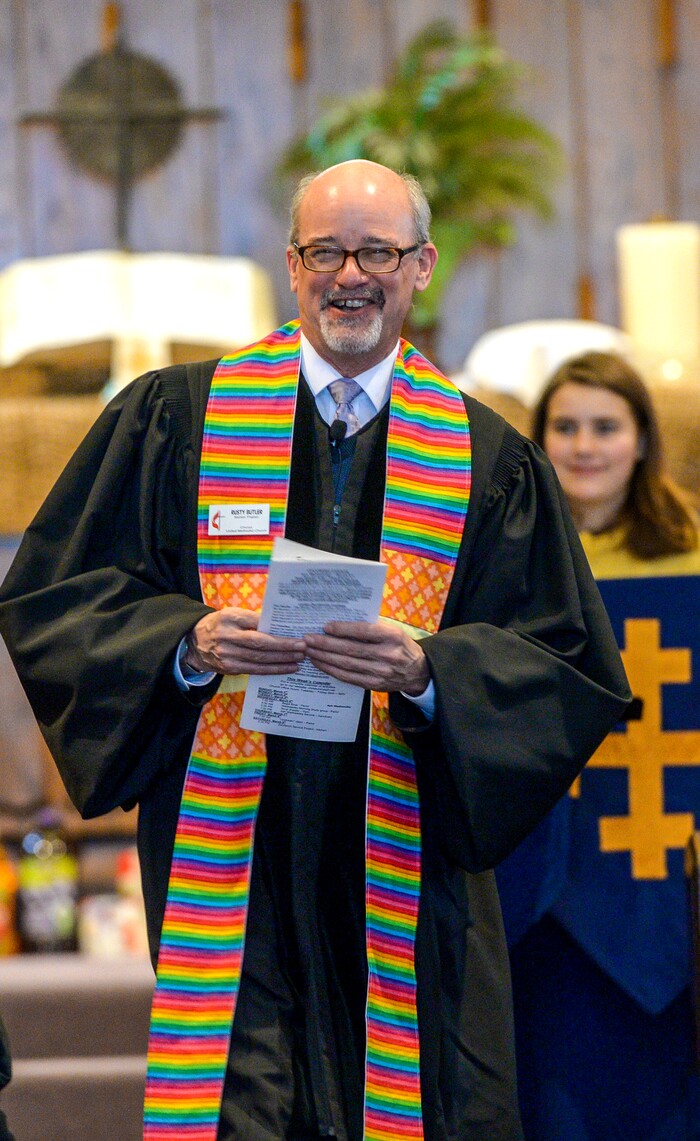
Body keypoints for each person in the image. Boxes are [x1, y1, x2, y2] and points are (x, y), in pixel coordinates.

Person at [0, 163, 630, 1141]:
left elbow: (564, 660)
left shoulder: (487, 458)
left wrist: (430, 673)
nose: (350, 274)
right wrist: (183, 641)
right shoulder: (177, 420)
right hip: (230, 862)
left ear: (419, 266)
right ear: (291, 267)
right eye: (325, 251)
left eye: (376, 251)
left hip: (409, 878)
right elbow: (58, 593)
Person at [499, 350, 700, 1140]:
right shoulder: (510, 562)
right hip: (552, 876)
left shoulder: (691, 554)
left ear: (643, 439)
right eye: (566, 425)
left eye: (606, 426)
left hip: (666, 859)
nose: (585, 446)